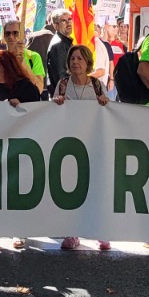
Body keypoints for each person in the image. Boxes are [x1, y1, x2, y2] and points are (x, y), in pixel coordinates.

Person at [0, 50, 44, 251]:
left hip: (19, 145)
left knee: (16, 188)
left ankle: (19, 230)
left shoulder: (26, 87)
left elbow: (36, 113)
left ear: (7, 67)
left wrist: (20, 107)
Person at [52, 44, 109, 250]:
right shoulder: (63, 84)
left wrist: (104, 102)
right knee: (72, 189)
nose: (75, 62)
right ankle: (72, 232)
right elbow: (54, 111)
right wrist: (57, 102)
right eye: (72, 58)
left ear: (87, 63)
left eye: (80, 59)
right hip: (70, 145)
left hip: (93, 144)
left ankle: (99, 231)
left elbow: (108, 113)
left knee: (95, 187)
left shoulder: (96, 85)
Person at [0, 20, 46, 89]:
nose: (11, 36)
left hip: (28, 99)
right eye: (7, 33)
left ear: (23, 35)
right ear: (4, 36)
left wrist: (23, 64)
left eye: (15, 33)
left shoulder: (33, 57)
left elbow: (39, 88)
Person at [43, 9, 75, 95]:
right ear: (56, 25)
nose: (68, 23)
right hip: (63, 97)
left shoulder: (66, 42)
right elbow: (61, 75)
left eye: (69, 19)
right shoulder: (58, 44)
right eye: (63, 21)